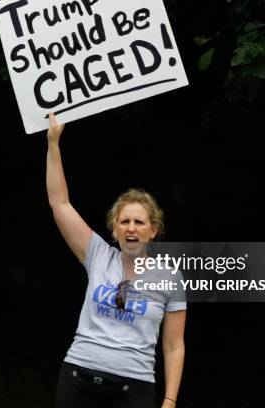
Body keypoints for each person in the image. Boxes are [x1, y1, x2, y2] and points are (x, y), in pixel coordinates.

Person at [47, 113, 186, 408]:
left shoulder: (170, 277)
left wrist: (170, 400)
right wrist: (53, 144)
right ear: (114, 229)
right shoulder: (97, 254)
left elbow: (174, 346)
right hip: (77, 380)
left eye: (139, 221)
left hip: (133, 391)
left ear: (153, 230)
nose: (131, 227)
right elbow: (60, 203)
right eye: (124, 221)